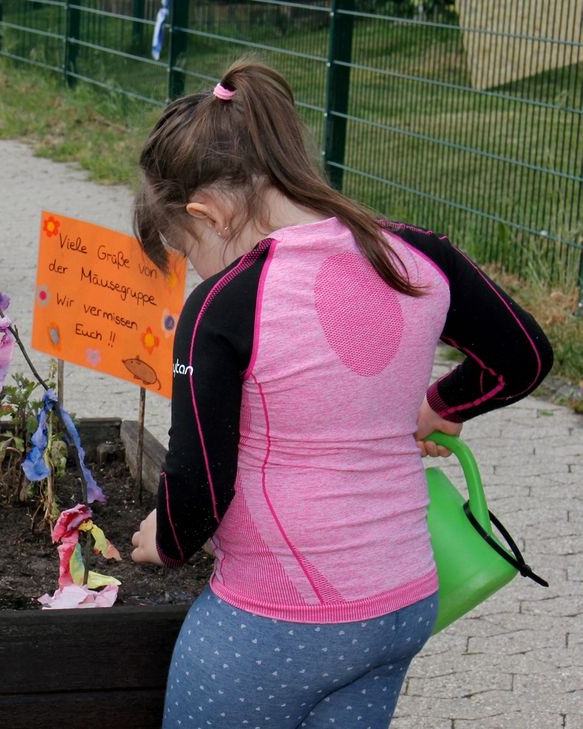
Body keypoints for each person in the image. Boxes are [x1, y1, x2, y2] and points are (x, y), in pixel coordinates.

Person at [128, 60, 552, 729]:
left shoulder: (221, 304)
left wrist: (166, 540)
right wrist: (440, 404)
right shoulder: (417, 255)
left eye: (186, 249)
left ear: (205, 212)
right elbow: (524, 357)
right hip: (402, 602)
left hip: (277, 623)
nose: (195, 268)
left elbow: (199, 481)